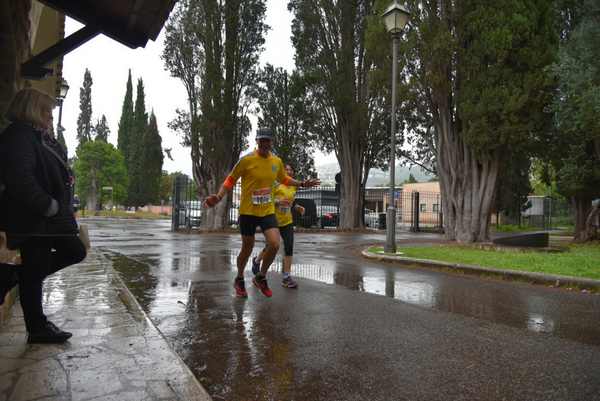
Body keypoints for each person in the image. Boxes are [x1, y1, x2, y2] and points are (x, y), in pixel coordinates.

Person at [0, 88, 87, 344]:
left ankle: (15, 279)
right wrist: (48, 206)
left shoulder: (35, 136)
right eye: (46, 111)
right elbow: (20, 180)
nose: (50, 116)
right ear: (32, 110)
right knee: (61, 256)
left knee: (67, 254)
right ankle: (37, 327)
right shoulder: (19, 136)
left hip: (44, 221)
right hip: (33, 219)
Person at [203, 128, 319, 298]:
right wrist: (219, 196)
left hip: (266, 211)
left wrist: (301, 184)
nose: (265, 143)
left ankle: (261, 276)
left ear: (272, 142)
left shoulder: (276, 161)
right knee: (247, 248)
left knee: (274, 243)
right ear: (257, 141)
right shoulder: (246, 160)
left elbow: (284, 179)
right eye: (262, 140)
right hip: (248, 211)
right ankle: (240, 278)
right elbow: (230, 179)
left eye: (268, 140)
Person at [252, 164, 306, 289]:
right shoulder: (276, 184)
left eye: (291, 169)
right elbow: (266, 199)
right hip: (273, 221)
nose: (289, 171)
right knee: (270, 247)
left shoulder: (293, 187)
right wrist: (278, 202)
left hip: (287, 221)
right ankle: (256, 261)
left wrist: (298, 207)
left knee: (289, 246)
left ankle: (286, 277)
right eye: (286, 169)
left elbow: (291, 203)